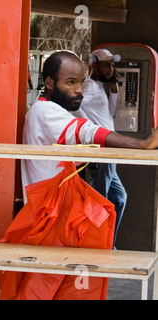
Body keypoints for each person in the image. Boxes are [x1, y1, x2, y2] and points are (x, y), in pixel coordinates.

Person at [21, 50, 158, 203]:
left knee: (116, 199)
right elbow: (85, 131)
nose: (79, 89)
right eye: (70, 82)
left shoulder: (45, 109)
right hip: (49, 213)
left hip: (53, 207)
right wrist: (142, 144)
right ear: (49, 83)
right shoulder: (45, 111)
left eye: (81, 82)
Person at [76, 49, 126, 247]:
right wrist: (90, 128)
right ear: (94, 65)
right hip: (101, 150)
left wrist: (113, 85)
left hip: (108, 152)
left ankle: (107, 243)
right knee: (100, 201)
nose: (111, 68)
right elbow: (74, 107)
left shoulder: (100, 87)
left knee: (119, 198)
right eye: (107, 64)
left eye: (112, 65)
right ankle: (96, 245)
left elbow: (112, 112)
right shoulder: (89, 86)